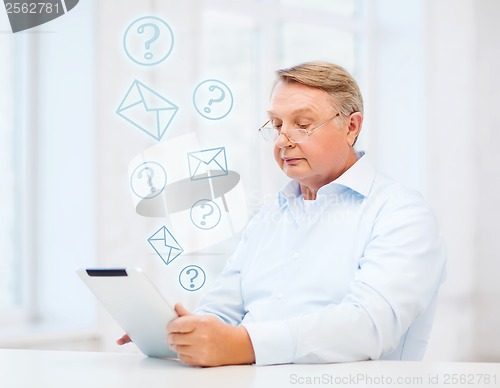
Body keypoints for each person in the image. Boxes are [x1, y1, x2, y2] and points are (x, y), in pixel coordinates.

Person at [118, 61, 446, 367]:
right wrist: (183, 333)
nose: (282, 140)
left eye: (302, 125)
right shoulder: (269, 217)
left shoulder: (401, 214)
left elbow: (371, 326)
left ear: (351, 127)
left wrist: (244, 345)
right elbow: (223, 310)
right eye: (276, 125)